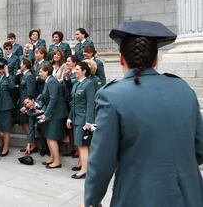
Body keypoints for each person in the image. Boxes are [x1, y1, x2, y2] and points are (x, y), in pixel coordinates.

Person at [84, 20, 203, 207]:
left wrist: (92, 200)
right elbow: (199, 149)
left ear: (121, 58)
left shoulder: (111, 96)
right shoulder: (183, 89)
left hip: (138, 197)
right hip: (190, 196)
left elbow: (101, 163)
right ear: (156, 59)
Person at [66, 61, 96, 179]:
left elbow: (90, 104)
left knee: (83, 145)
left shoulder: (89, 84)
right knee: (80, 144)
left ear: (84, 71)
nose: (75, 71)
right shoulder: (76, 84)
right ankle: (83, 166)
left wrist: (89, 121)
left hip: (83, 120)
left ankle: (84, 170)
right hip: (76, 118)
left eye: (77, 69)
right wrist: (69, 117)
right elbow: (73, 104)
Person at [38, 64, 67, 169]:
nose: (39, 73)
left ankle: (57, 161)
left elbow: (53, 99)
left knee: (52, 138)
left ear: (47, 72)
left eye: (41, 71)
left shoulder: (52, 82)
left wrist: (46, 114)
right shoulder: (48, 81)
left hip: (57, 114)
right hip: (52, 114)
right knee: (48, 136)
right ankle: (52, 158)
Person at [0, 61, 15, 156]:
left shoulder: (8, 77)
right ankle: (0, 144)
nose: (0, 70)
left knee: (6, 128)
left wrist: (7, 74)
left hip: (6, 106)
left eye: (2, 68)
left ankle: (6, 147)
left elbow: (12, 86)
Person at [18, 58, 36, 153]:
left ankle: (32, 144)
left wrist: (26, 105)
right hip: (22, 102)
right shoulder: (24, 75)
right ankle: (30, 143)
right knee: (24, 124)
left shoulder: (29, 75)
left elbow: (30, 91)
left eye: (21, 63)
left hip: (26, 104)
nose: (20, 65)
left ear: (25, 65)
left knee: (28, 124)